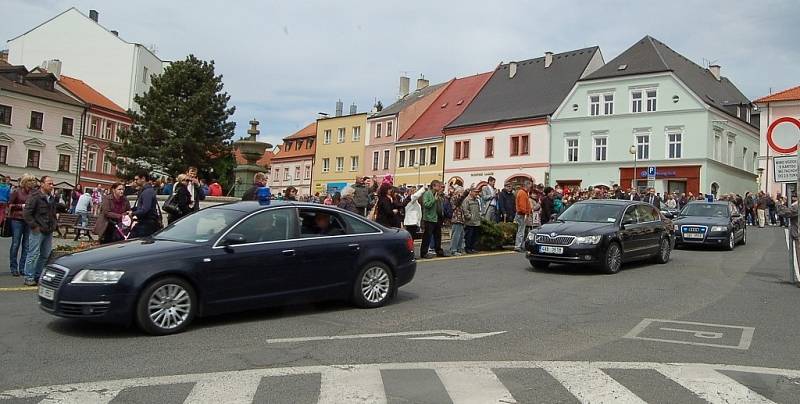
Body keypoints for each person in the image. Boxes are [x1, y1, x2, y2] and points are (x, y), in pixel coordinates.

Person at [22, 176, 58, 285]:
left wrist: (54, 224)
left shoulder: (51, 198)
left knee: (45, 255)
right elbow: (27, 213)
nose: (51, 186)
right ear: (42, 184)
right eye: (49, 183)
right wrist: (34, 226)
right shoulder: (35, 196)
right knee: (33, 254)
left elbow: (52, 213)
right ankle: (29, 277)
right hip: (38, 230)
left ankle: (38, 276)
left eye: (52, 184)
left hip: (48, 230)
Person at [8, 175, 35, 277]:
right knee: (16, 243)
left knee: (26, 245)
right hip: (17, 219)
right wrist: (21, 206)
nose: (32, 183)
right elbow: (9, 205)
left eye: (33, 181)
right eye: (30, 181)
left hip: (28, 221)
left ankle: (22, 268)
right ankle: (13, 267)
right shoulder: (17, 192)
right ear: (25, 182)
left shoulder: (33, 193)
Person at [130, 171, 161, 238]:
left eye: (136, 179)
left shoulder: (147, 192)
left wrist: (133, 213)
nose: (135, 181)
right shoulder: (145, 190)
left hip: (147, 223)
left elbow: (145, 209)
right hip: (146, 222)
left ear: (143, 179)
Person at [420, 180, 446, 258]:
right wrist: (434, 200)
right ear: (434, 186)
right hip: (429, 218)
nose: (440, 187)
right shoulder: (428, 193)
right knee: (427, 236)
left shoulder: (438, 194)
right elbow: (426, 204)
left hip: (437, 218)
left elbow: (440, 205)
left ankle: (439, 251)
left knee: (438, 236)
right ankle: (424, 253)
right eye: (438, 186)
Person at [462, 186, 482, 254]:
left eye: (477, 192)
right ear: (471, 192)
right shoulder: (467, 200)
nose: (477, 193)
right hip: (470, 222)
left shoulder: (476, 200)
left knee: (475, 236)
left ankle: (473, 248)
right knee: (469, 236)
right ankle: (468, 248)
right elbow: (465, 210)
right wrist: (469, 216)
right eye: (475, 192)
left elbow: (478, 209)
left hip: (476, 221)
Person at [448, 186, 467, 256]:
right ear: (457, 192)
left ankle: (459, 249)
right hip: (456, 219)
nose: (462, 193)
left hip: (460, 219)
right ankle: (453, 249)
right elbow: (458, 202)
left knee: (461, 235)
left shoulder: (459, 198)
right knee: (456, 235)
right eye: (461, 191)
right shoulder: (454, 198)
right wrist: (465, 193)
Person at [514, 184, 532, 252]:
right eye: (530, 187)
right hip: (522, 214)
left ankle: (519, 245)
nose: (530, 188)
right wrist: (526, 212)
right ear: (526, 186)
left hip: (522, 214)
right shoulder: (522, 193)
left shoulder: (523, 193)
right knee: (521, 231)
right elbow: (522, 206)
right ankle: (518, 246)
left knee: (521, 230)